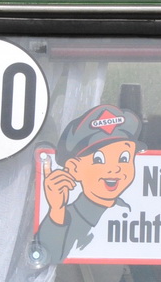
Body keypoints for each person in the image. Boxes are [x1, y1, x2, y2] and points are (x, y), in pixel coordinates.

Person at [35, 103, 140, 265]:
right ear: (74, 168)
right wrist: (56, 209)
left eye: (124, 158)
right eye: (99, 159)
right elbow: (49, 256)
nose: (115, 168)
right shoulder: (65, 217)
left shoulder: (134, 209)